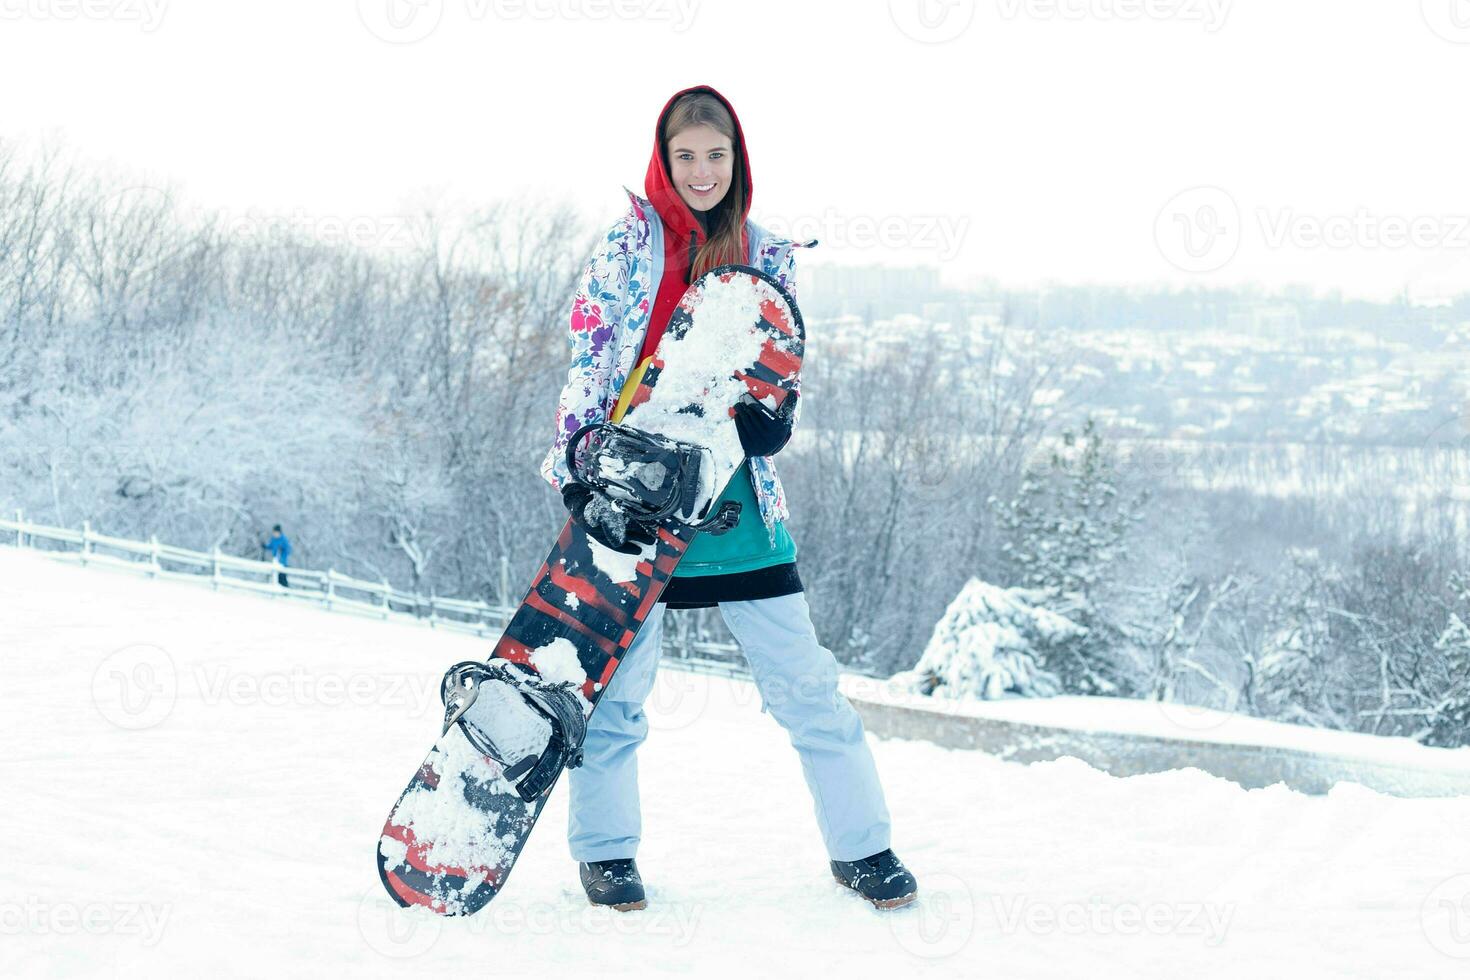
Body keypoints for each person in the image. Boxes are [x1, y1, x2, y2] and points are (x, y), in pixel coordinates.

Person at [540, 84, 916, 911]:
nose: (703, 171)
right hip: (634, 501)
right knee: (616, 695)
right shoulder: (627, 248)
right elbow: (590, 359)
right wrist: (577, 464)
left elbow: (780, 366)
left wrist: (769, 422)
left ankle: (864, 848)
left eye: (718, 155)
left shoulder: (765, 252)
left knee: (805, 684)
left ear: (736, 161)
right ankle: (606, 854)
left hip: (736, 503)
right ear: (663, 162)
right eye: (687, 156)